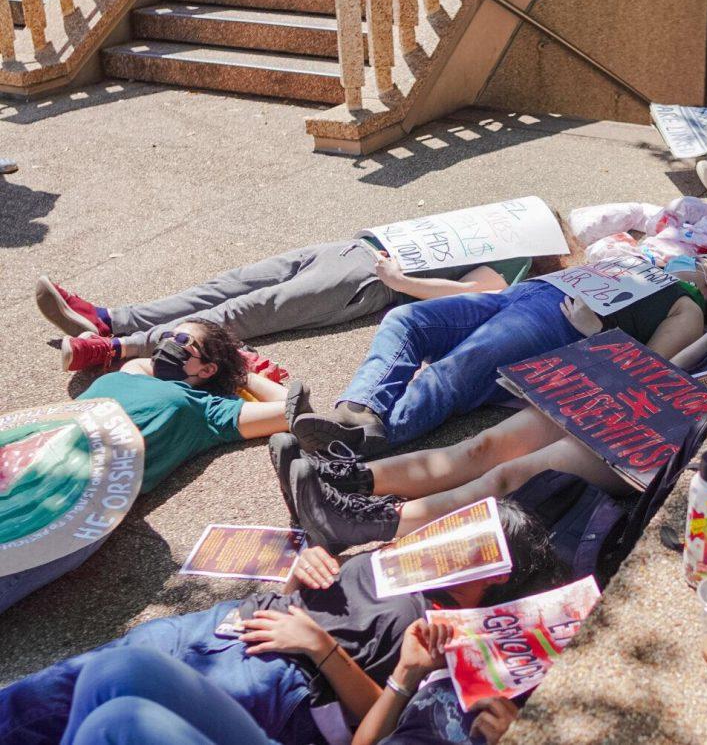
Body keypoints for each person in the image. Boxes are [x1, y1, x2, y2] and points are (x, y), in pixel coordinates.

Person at [0, 500, 562, 745]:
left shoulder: (446, 630)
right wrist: (298, 576)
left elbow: (385, 721)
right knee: (56, 692)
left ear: (495, 575)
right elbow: (317, 592)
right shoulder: (398, 560)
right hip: (227, 625)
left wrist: (321, 649)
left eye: (474, 546)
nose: (452, 543)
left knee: (111, 721)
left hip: (279, 681)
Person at [272, 328, 707, 552]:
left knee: (507, 476)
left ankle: (368, 523)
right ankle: (347, 481)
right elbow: (662, 371)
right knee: (479, 448)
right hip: (623, 402)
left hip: (650, 442)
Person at [290, 257, 707, 458]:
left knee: (460, 368)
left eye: (699, 259)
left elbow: (645, 370)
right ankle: (359, 409)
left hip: (559, 322)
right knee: (404, 320)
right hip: (525, 295)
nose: (686, 256)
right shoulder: (646, 266)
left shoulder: (690, 307)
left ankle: (367, 440)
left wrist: (597, 333)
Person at [0, 318, 294, 613]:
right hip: (25, 457)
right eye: (168, 335)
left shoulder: (206, 411)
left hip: (68, 503)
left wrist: (243, 373)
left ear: (208, 369)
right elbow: (141, 362)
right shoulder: (132, 372)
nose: (168, 343)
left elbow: (291, 410)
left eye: (182, 341)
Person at [36, 234, 540, 371]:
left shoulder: (521, 256)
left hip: (368, 282)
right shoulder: (496, 222)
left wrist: (400, 281)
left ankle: (117, 348)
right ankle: (107, 319)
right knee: (225, 286)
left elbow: (479, 294)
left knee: (246, 311)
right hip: (348, 249)